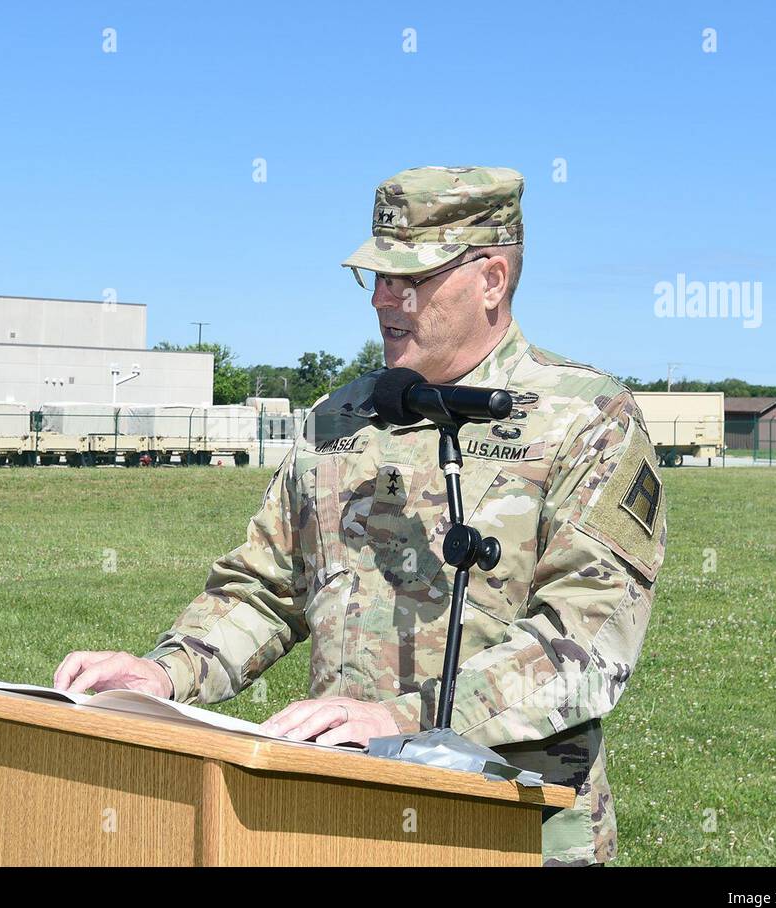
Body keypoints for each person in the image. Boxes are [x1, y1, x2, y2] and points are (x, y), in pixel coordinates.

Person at [56, 165, 667, 866]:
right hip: (346, 812)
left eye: (410, 278)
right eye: (376, 277)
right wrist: (166, 673)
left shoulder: (584, 420)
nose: (384, 299)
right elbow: (265, 588)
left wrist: (403, 722)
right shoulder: (340, 419)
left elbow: (586, 647)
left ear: (492, 279)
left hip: (516, 829)